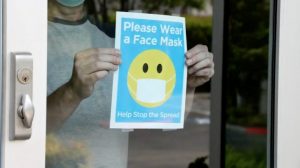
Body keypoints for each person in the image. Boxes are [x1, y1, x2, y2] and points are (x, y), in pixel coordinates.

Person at [47, 0, 215, 167]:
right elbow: (24, 129)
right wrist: (72, 92)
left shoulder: (115, 45)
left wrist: (187, 84)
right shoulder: (28, 42)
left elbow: (159, 118)